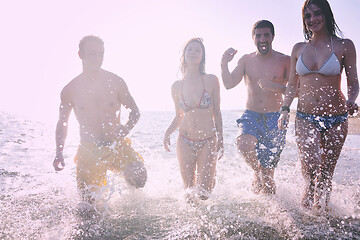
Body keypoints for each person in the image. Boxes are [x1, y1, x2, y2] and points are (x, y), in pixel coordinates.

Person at [278, 0, 359, 212]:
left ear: (326, 15)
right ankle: (306, 214)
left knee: (325, 173)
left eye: (317, 13)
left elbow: (353, 81)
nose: (312, 19)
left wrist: (352, 99)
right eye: (308, 16)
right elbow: (291, 85)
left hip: (337, 118)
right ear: (304, 20)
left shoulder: (344, 45)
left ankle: (320, 217)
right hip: (305, 116)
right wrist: (285, 109)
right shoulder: (298, 48)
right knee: (311, 169)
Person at [53, 35, 147, 203]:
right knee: (88, 209)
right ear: (80, 55)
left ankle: (130, 208)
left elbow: (135, 111)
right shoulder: (70, 89)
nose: (97, 58)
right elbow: (63, 123)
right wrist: (59, 152)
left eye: (100, 54)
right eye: (92, 54)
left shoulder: (116, 82)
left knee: (139, 176)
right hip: (89, 150)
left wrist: (126, 128)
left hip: (116, 146)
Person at [221, 20, 290, 194]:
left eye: (266, 35)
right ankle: (257, 169)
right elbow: (229, 84)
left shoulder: (285, 60)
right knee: (244, 144)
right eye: (258, 35)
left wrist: (277, 87)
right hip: (251, 115)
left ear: (273, 37)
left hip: (276, 118)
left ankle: (270, 217)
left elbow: (297, 91)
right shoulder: (246, 60)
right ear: (253, 38)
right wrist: (223, 63)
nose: (262, 39)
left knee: (267, 178)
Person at [163, 38, 224, 201]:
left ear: (202, 56)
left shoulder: (211, 80)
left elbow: (217, 112)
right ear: (184, 55)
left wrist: (221, 139)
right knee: (189, 193)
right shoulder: (176, 86)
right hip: (184, 140)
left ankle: (210, 176)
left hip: (207, 140)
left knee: (204, 194)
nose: (193, 53)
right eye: (190, 49)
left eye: (197, 50)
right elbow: (178, 116)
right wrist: (167, 133)